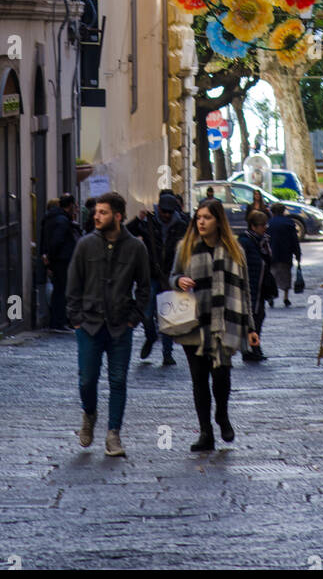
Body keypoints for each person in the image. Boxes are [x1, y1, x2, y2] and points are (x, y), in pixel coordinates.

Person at [169, 197, 259, 451]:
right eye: (198, 217)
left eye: (207, 217)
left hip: (225, 323)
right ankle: (205, 432)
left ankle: (222, 415)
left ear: (219, 221)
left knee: (221, 376)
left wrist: (250, 327)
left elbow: (245, 291)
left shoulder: (234, 250)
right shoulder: (185, 247)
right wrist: (179, 282)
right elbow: (172, 275)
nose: (201, 222)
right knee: (199, 379)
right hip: (194, 323)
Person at [66, 192, 150, 457]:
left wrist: (133, 318)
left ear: (117, 216)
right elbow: (73, 285)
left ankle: (114, 434)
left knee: (118, 380)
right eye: (96, 212)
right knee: (87, 380)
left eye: (102, 212)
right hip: (89, 325)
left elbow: (145, 289)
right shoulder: (85, 245)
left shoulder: (136, 248)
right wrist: (76, 319)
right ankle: (89, 415)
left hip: (119, 326)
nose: (96, 216)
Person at [127, 191, 188, 365]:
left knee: (167, 316)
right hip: (150, 275)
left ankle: (167, 354)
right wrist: (138, 219)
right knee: (146, 313)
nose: (167, 215)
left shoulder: (181, 225)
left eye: (170, 212)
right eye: (164, 211)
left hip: (170, 276)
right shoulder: (148, 222)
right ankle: (151, 336)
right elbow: (126, 233)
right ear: (158, 208)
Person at [239, 210, 273, 360]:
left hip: (260, 287)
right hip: (250, 287)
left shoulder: (263, 241)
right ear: (253, 226)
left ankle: (255, 347)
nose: (265, 227)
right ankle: (251, 349)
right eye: (261, 225)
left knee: (259, 317)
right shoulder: (245, 242)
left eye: (266, 224)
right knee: (253, 318)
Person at [43, 193, 78, 329]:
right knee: (61, 291)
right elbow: (56, 241)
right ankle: (59, 321)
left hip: (58, 260)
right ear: (69, 206)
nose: (75, 208)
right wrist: (51, 258)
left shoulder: (54, 218)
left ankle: (58, 320)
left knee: (59, 290)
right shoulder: (62, 220)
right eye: (74, 206)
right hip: (62, 261)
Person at [267, 202, 302, 306]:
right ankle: (286, 297)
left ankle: (271, 296)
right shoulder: (289, 223)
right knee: (286, 275)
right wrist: (298, 254)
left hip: (272, 254)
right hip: (286, 254)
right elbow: (294, 240)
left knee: (272, 275)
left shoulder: (269, 224)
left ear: (272, 212)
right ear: (283, 211)